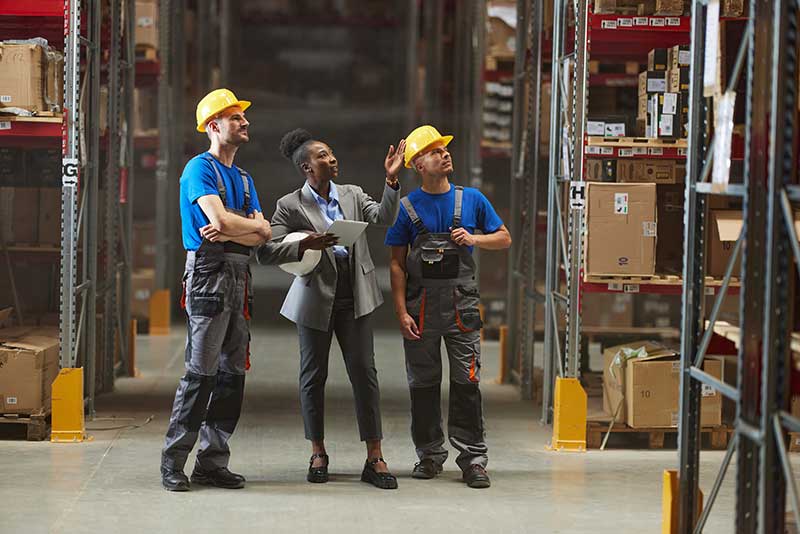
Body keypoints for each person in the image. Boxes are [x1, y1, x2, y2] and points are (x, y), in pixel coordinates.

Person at [256, 129, 405, 490]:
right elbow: (266, 251)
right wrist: (305, 243)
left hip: (356, 295)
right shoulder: (290, 205)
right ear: (306, 167)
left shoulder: (352, 194)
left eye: (332, 153)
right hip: (315, 297)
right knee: (313, 376)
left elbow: (384, 217)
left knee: (364, 375)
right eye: (323, 155)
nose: (332, 159)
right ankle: (318, 452)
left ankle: (375, 456)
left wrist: (391, 180)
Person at [385, 125, 511, 489]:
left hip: (461, 308)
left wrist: (475, 238)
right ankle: (429, 455)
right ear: (418, 165)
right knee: (423, 384)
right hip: (421, 308)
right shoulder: (407, 209)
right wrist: (401, 312)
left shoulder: (472, 199)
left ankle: (473, 459)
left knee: (466, 382)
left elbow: (504, 238)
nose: (444, 154)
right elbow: (396, 264)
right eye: (435, 151)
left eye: (444, 148)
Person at [160, 89, 271, 492]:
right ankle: (174, 461)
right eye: (235, 117)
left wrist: (241, 229)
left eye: (243, 117)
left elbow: (262, 234)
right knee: (200, 375)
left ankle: (212, 462)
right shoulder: (198, 169)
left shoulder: (244, 179)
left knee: (231, 376)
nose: (244, 122)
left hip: (240, 277)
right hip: (208, 274)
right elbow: (222, 222)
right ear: (213, 126)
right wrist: (247, 226)